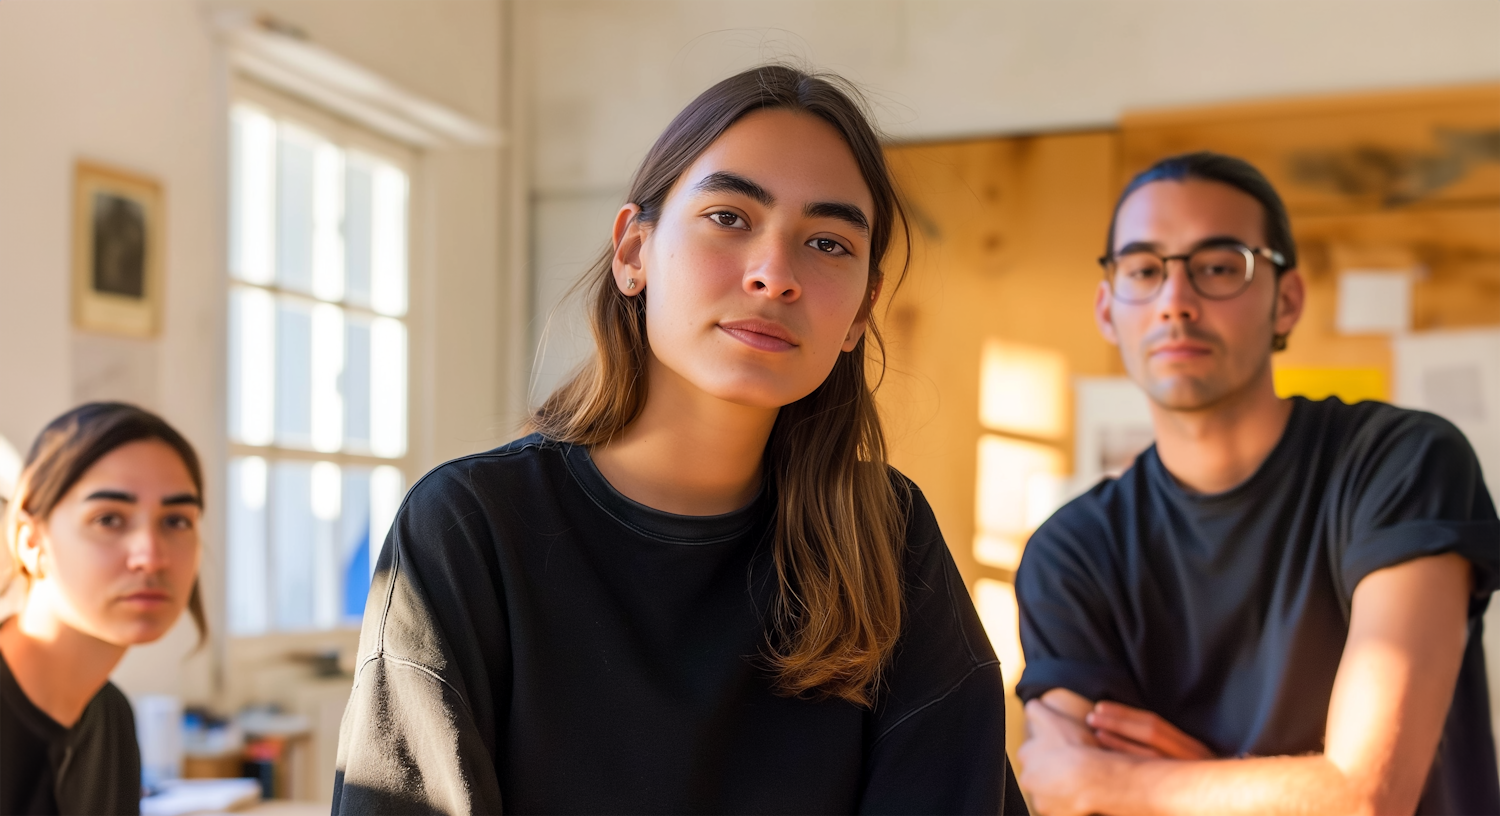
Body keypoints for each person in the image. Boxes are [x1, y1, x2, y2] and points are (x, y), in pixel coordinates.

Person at [333, 64, 1026, 815]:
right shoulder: (471, 525)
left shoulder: (887, 535)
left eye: (828, 242)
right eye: (730, 217)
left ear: (862, 311)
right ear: (633, 252)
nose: (774, 274)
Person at [1013, 151, 1500, 815]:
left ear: (1287, 300)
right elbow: (1068, 800)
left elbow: (1365, 799)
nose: (1175, 303)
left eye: (1218, 267)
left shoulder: (1404, 463)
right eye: (1144, 270)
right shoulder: (1071, 553)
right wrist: (1286, 791)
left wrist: (1120, 783)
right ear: (1107, 308)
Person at [0, 402, 207, 816]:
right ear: (30, 540)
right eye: (109, 519)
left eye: (176, 521)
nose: (150, 556)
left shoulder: (111, 722)